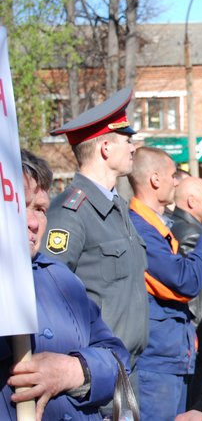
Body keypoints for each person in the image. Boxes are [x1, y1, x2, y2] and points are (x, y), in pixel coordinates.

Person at [1, 150, 129, 420]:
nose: (33, 223)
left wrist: (74, 370)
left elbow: (117, 358)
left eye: (40, 209)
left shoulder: (60, 277)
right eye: (18, 206)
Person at [40, 87, 148, 378]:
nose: (134, 148)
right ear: (106, 148)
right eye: (127, 140)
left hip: (128, 368)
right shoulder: (70, 213)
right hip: (95, 373)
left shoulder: (117, 207)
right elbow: (50, 297)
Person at [127, 147, 202, 420]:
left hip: (171, 356)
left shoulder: (155, 225)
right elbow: (185, 282)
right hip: (156, 360)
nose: (176, 182)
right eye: (173, 175)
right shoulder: (140, 228)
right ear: (155, 179)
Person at [169, 176, 202, 410]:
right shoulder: (193, 234)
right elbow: (197, 280)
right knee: (196, 403)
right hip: (200, 332)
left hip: (194, 334)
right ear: (191, 201)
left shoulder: (175, 226)